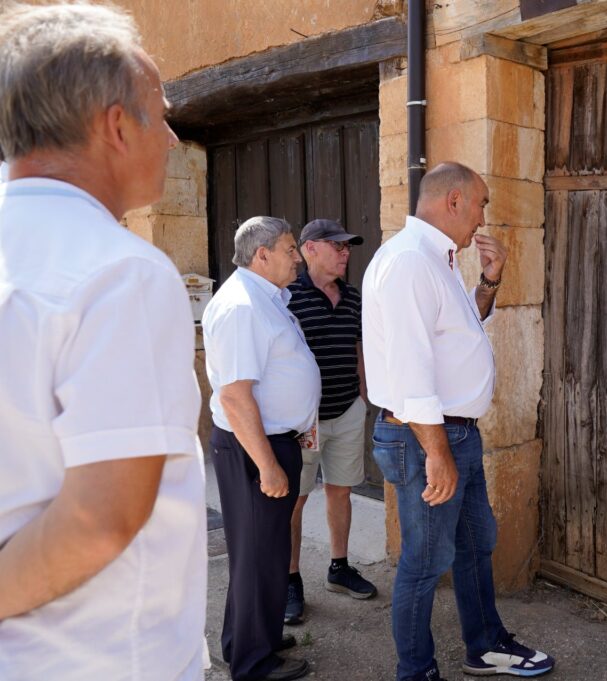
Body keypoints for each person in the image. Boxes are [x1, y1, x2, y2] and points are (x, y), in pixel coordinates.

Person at [0, 3, 207, 679]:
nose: (174, 138)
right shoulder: (121, 271)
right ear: (116, 126)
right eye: (164, 112)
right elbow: (99, 519)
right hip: (101, 657)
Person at [363, 162, 555, 681]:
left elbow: (459, 332)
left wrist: (490, 281)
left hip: (452, 432)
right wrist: (437, 453)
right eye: (481, 204)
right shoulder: (409, 262)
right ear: (452, 201)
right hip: (426, 435)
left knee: (476, 542)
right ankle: (416, 671)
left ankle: (486, 646)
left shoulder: (439, 259)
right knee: (425, 562)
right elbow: (410, 371)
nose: (483, 216)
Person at [202, 217, 320, 681]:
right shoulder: (242, 306)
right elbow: (234, 394)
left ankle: (254, 637)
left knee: (265, 552)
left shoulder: (264, 299)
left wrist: (300, 424)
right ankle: (253, 663)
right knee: (256, 555)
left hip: (272, 441)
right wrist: (267, 465)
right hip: (254, 448)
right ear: (262, 254)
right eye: (292, 249)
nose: (299, 257)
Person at [284, 218, 377, 626]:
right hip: (305, 422)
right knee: (295, 499)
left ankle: (339, 567)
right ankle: (289, 580)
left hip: (346, 411)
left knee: (341, 491)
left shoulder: (353, 297)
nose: (345, 252)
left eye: (347, 246)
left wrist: (363, 395)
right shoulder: (286, 297)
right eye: (336, 246)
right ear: (309, 250)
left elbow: (358, 346)